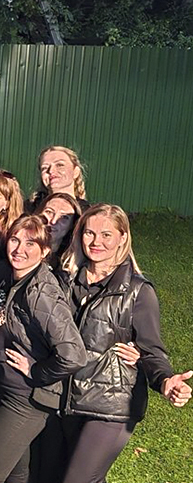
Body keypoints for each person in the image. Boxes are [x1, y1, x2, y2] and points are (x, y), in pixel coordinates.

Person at [57, 204, 192, 483]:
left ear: (123, 238)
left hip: (112, 404)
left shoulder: (138, 291)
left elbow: (151, 350)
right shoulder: (68, 281)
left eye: (106, 235)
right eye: (89, 233)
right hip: (67, 397)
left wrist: (165, 380)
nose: (96, 242)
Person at [0, 215, 87, 483]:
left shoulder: (41, 292)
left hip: (27, 398)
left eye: (30, 243)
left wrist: (36, 371)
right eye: (15, 240)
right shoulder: (2, 273)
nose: (19, 249)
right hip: (1, 385)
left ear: (44, 251)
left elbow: (74, 354)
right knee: (17, 473)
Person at [27, 146, 90, 213]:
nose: (51, 171)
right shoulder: (28, 210)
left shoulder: (87, 214)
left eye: (59, 165)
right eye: (44, 168)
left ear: (76, 172)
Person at [34, 192, 82, 269]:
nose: (53, 221)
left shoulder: (73, 263)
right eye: (49, 212)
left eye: (64, 217)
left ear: (72, 225)